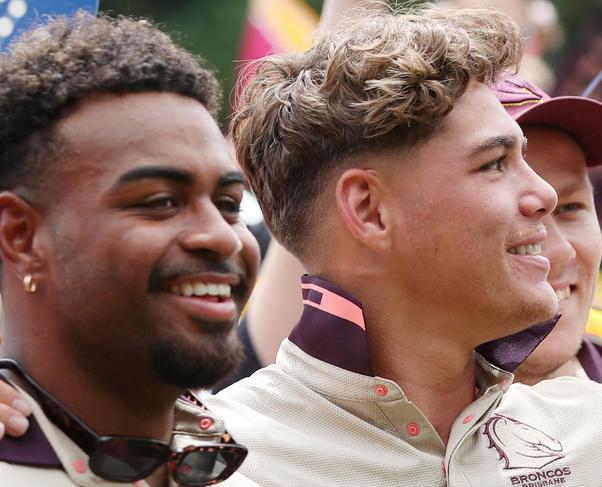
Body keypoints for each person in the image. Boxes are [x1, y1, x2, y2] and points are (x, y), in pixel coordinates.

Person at [0, 5, 602, 487]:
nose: (543, 198)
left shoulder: (586, 421)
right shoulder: (211, 462)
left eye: (231, 204)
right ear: (368, 210)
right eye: (495, 164)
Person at [0, 12, 259, 486]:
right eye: (160, 202)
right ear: (21, 235)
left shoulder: (265, 464)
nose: (222, 236)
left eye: (229, 204)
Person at [223, 73, 602, 389]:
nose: (555, 249)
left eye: (571, 208)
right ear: (373, 213)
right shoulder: (273, 445)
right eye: (494, 167)